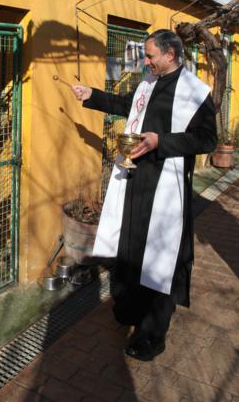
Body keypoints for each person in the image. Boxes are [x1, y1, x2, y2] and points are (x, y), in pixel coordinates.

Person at [71, 29, 217, 361]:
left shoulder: (195, 92)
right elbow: (126, 105)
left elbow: (207, 138)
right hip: (134, 180)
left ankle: (152, 334)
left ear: (170, 54)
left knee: (160, 261)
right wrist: (91, 94)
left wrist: (160, 142)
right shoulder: (147, 83)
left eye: (150, 56)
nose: (145, 61)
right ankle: (129, 309)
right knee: (130, 248)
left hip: (165, 190)